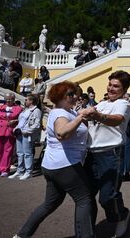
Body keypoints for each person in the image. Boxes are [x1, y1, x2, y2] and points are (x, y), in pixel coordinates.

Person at [15, 81, 96, 238]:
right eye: (70, 94)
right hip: (65, 166)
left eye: (75, 94)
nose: (75, 97)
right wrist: (82, 116)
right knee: (85, 200)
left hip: (54, 165)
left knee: (50, 203)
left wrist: (82, 116)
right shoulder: (60, 113)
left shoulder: (68, 112)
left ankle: (22, 235)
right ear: (59, 97)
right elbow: (62, 134)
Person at [83, 71, 130, 238]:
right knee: (87, 196)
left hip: (111, 154)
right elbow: (84, 118)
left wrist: (96, 115)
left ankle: (122, 215)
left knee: (107, 196)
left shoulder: (123, 104)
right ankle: (87, 232)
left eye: (116, 86)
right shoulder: (101, 103)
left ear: (124, 89)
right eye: (110, 84)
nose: (111, 88)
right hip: (91, 155)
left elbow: (116, 120)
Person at [9, 94, 42, 180]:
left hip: (27, 135)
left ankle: (28, 172)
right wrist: (16, 129)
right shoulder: (25, 110)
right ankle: (20, 170)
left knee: (27, 153)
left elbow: (37, 124)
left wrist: (27, 131)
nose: (25, 101)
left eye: (27, 100)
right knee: (20, 153)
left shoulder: (36, 111)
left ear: (31, 101)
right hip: (19, 133)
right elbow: (21, 122)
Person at [0, 93, 23, 176]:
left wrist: (15, 121)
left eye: (11, 99)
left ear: (14, 100)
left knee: (8, 151)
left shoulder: (18, 108)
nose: (9, 101)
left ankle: (5, 169)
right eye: (7, 99)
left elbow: (22, 120)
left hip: (9, 131)